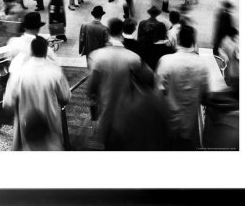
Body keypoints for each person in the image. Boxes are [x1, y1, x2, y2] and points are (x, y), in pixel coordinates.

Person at [3, 36, 70, 150]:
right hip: (50, 120)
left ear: (31, 51)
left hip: (26, 122)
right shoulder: (55, 72)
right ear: (45, 51)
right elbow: (65, 96)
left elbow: (8, 102)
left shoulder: (19, 73)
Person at [87, 18, 142, 149]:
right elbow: (147, 80)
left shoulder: (97, 56)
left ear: (108, 31)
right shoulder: (133, 58)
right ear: (122, 31)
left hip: (106, 112)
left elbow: (91, 90)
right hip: (129, 113)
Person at [155, 24, 210, 150]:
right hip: (190, 124)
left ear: (178, 40)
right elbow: (206, 96)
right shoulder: (202, 64)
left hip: (168, 120)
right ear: (193, 41)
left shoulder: (166, 61)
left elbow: (158, 91)